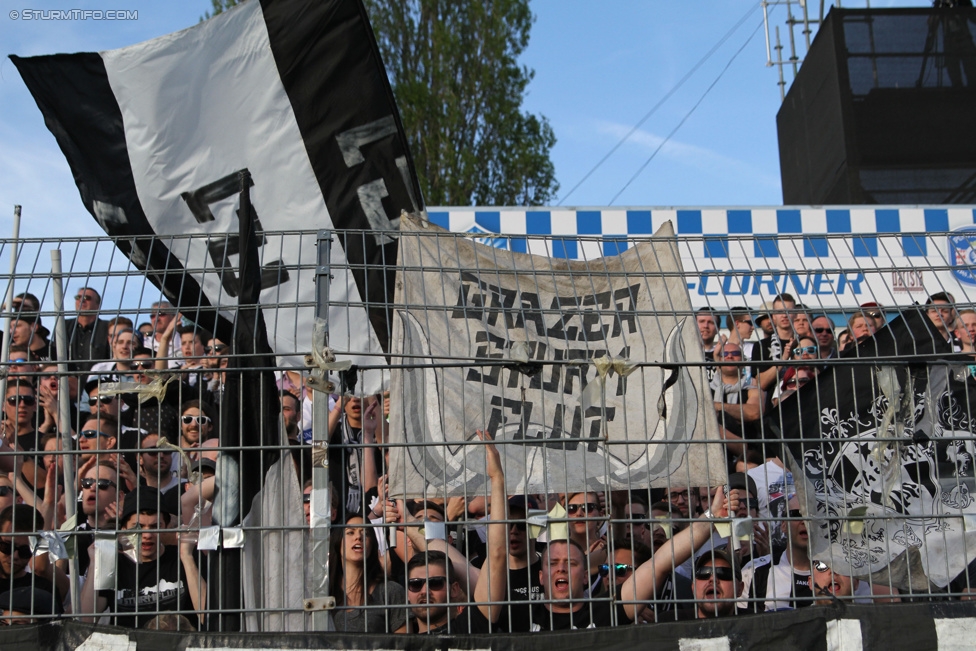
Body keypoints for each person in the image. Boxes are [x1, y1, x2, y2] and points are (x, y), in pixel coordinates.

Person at [80, 487, 206, 628]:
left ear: (165, 527)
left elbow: (207, 616)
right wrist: (95, 564)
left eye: (154, 526)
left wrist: (187, 557)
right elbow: (84, 622)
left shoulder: (184, 557)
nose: (147, 534)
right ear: (124, 529)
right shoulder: (114, 564)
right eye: (138, 527)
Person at [328, 515, 406, 632]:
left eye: (366, 533)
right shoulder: (324, 591)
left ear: (372, 545)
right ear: (338, 541)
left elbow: (405, 643)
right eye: (350, 532)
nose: (358, 537)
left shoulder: (390, 591)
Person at [711, 341, 763, 458]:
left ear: (743, 362)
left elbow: (753, 412)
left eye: (735, 353)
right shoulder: (706, 391)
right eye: (724, 354)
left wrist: (717, 407)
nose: (730, 356)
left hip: (747, 458)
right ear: (718, 362)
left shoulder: (753, 390)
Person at [750, 293, 798, 397]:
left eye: (788, 311)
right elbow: (761, 383)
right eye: (779, 311)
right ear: (774, 316)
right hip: (772, 408)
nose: (784, 315)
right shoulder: (761, 346)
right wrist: (784, 359)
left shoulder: (804, 343)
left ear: (796, 314)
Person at [684, 549, 745, 619]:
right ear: (693, 587)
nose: (713, 579)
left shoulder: (756, 623)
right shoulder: (674, 622)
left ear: (740, 589)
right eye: (703, 572)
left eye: (723, 573)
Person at [62, 287, 110, 372]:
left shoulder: (107, 328)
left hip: (97, 382)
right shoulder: (63, 326)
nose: (81, 300)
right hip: (67, 382)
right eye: (78, 297)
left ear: (97, 305)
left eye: (87, 298)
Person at [697, 308, 721, 384]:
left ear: (718, 329)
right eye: (701, 321)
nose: (705, 326)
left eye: (711, 322)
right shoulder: (684, 352)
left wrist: (716, 355)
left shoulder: (724, 353)